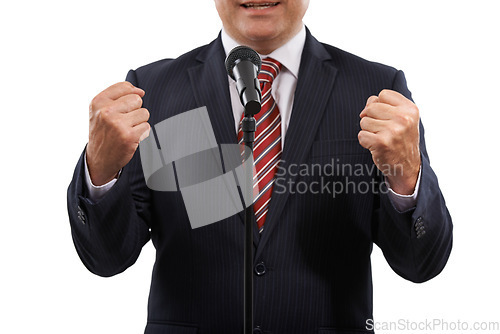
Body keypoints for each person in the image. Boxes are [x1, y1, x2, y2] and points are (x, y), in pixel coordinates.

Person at [67, 1, 453, 333]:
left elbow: (421, 263)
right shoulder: (154, 91)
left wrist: (405, 174)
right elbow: (106, 257)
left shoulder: (375, 89)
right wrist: (100, 172)